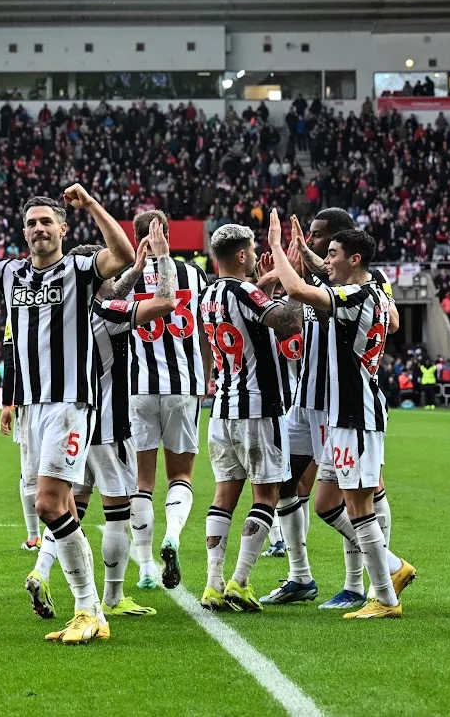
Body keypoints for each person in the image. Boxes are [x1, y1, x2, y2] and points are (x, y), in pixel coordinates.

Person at [0, 185, 132, 644]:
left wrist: (91, 206)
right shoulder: (10, 274)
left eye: (47, 221)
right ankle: (91, 612)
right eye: (32, 223)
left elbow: (121, 253)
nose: (39, 229)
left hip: (68, 404)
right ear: (23, 233)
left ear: (63, 229)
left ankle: (88, 607)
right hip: (30, 407)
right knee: (59, 508)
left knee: (47, 505)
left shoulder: (80, 268)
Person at [267, 211, 416, 619]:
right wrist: (301, 252)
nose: (326, 260)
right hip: (340, 413)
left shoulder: (358, 297)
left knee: (359, 505)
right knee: (326, 503)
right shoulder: (372, 294)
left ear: (353, 259)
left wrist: (279, 246)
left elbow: (298, 289)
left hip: (355, 413)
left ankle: (383, 596)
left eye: (332, 252)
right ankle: (387, 574)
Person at [27, 226, 174, 622]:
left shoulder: (59, 314)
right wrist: (160, 261)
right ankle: (112, 596)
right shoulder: (108, 314)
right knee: (116, 512)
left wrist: (132, 270)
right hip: (107, 425)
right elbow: (162, 303)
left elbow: (109, 292)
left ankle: (41, 570)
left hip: (67, 427)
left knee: (64, 508)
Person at [195, 224, 302, 612]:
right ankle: (240, 581)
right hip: (258, 408)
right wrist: (292, 279)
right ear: (241, 255)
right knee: (266, 494)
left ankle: (212, 583)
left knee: (224, 494)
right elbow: (288, 322)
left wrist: (269, 283)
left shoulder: (208, 295)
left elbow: (252, 318)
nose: (257, 256)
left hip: (222, 408)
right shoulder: (244, 291)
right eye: (254, 250)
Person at [122, 210, 209, 593]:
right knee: (181, 476)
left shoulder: (125, 279)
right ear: (168, 234)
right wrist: (205, 374)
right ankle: (171, 535)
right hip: (183, 387)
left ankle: (143, 566)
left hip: (138, 389)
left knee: (142, 481)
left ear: (136, 237)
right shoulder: (194, 274)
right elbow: (208, 329)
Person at [0, 320, 41, 552]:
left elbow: (10, 360)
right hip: (67, 398)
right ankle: (63, 532)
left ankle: (34, 537)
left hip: (29, 401)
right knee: (61, 469)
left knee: (28, 472)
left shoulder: (15, 310)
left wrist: (7, 403)